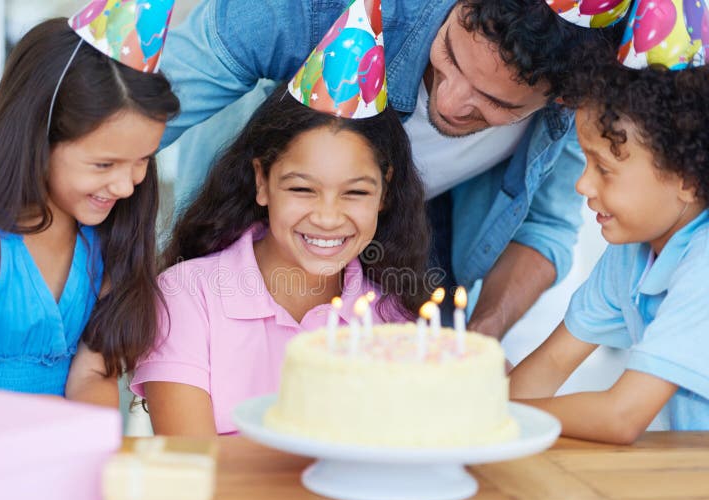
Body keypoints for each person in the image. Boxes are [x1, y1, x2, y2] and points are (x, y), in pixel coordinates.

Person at [155, 0, 626, 338]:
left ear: (562, 98)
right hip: (238, 226)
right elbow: (129, 119)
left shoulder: (573, 109)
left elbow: (544, 227)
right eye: (451, 57)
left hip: (409, 257)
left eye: (494, 102)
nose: (451, 101)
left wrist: (479, 335)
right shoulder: (312, 8)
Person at [131, 5, 429, 434]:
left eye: (356, 192)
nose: (328, 217)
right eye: (302, 189)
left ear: (385, 192)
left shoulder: (395, 316)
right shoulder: (186, 297)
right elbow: (190, 462)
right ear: (262, 182)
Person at [0, 6, 180, 404]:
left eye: (142, 161)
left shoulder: (106, 245)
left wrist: (84, 441)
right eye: (104, 164)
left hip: (55, 460)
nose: (125, 186)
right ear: (39, 139)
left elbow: (93, 376)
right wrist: (40, 427)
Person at [510, 31, 709, 443]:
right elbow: (549, 365)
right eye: (584, 160)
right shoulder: (634, 252)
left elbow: (622, 416)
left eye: (604, 168)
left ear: (688, 179)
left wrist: (492, 415)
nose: (582, 185)